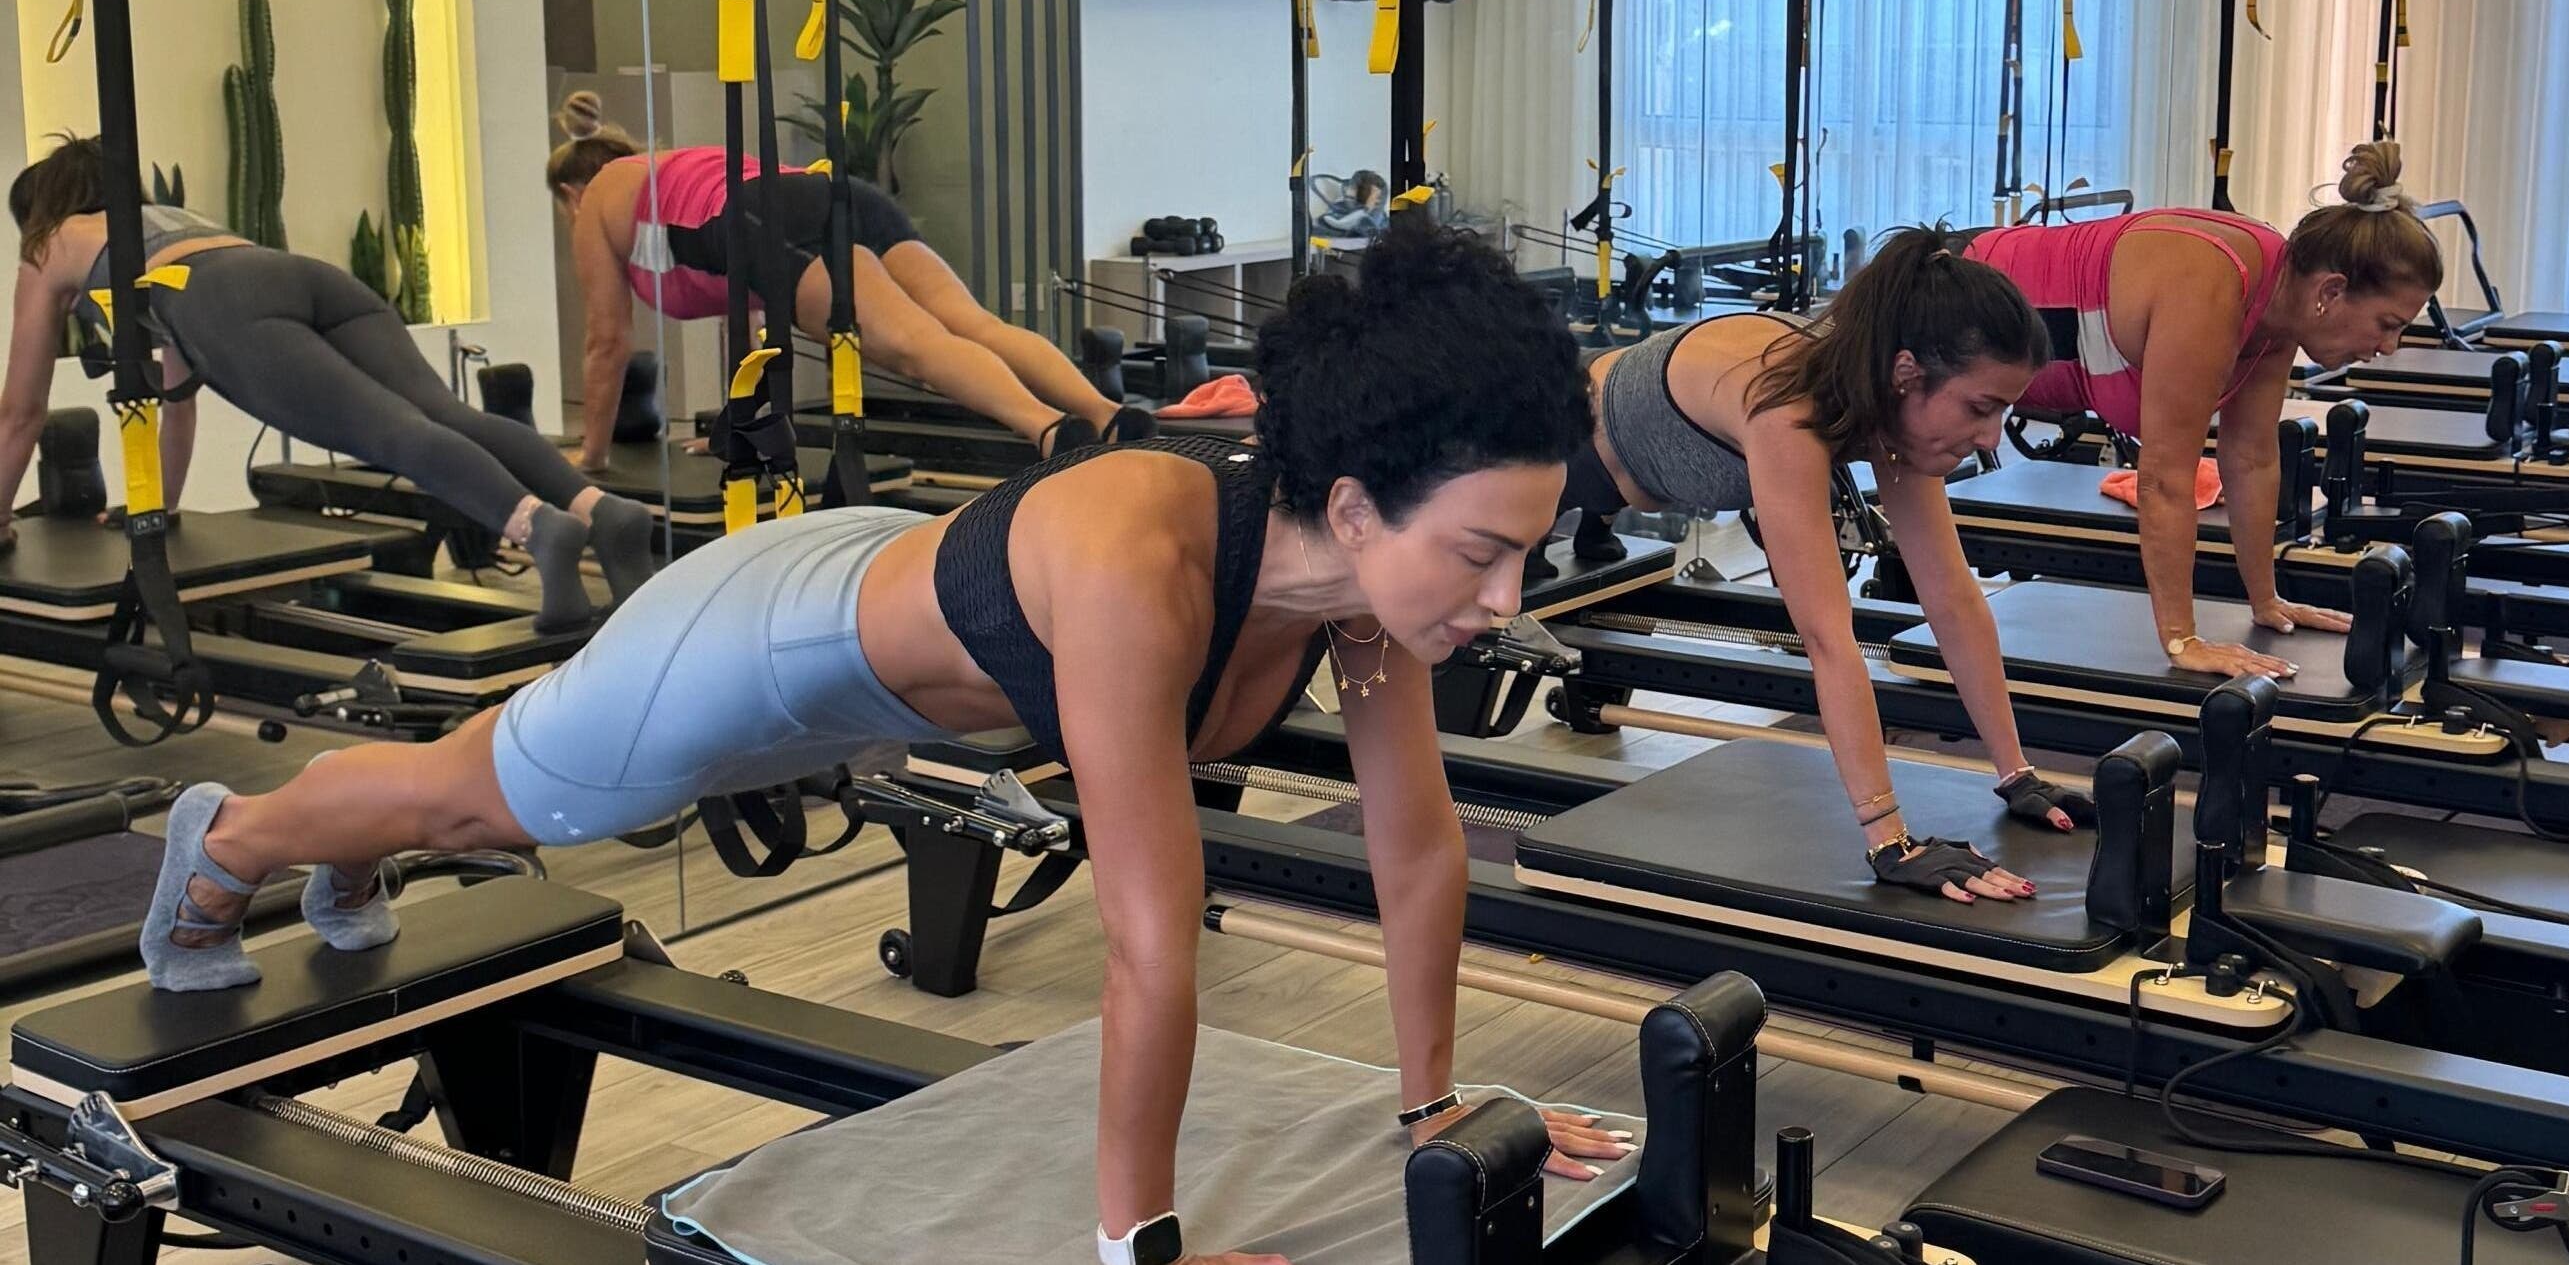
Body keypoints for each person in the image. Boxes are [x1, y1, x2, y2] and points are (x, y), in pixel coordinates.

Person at [134, 222, 1626, 1265]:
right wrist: (1142, 1253)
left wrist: (1437, 1105)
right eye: (1485, 554)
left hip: (885, 601)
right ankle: (237, 840)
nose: (1505, 601)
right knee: (494, 801)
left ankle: (354, 835)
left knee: (487, 770)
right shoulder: (1143, 561)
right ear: (1358, 504)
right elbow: (1150, 945)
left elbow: (1416, 851)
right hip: (763, 655)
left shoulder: (1363, 605)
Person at [1556, 226, 2090, 905]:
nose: (1990, 437)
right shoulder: (1790, 412)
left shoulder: (1891, 415)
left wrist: (2018, 774)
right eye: (1981, 408)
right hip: (1569, 445)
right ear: (1907, 374)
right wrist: (1888, 838)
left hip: (1645, 459)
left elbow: (1952, 598)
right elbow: (1828, 641)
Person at [3, 135, 654, 631]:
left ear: (39, 211)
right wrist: (161, 506)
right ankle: (597, 507)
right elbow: (178, 399)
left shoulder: (51, 243)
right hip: (294, 274)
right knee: (441, 411)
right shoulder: (166, 222)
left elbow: (20, 412)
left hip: (229, 307)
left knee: (393, 435)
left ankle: (538, 527)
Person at [1967, 141, 2443, 683]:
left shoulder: (2282, 302)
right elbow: (2166, 480)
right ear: (2331, 292)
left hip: (2037, 358)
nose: (2390, 347)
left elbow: (2252, 457)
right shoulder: (2217, 283)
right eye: (2387, 323)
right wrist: (2182, 639)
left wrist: (2266, 599)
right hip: (1964, 309)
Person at [547, 93, 1137, 463]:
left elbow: (606, 341)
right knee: (967, 323)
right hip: (834, 194)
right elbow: (752, 323)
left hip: (767, 216)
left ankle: (1050, 431)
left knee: (914, 347)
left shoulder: (597, 202)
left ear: (570, 192)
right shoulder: (669, 177)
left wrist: (591, 455)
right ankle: (1107, 415)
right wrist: (741, 430)